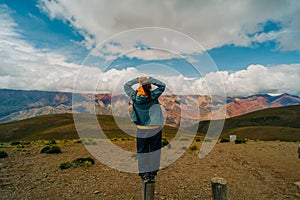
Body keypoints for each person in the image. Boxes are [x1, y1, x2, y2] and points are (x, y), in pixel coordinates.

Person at [124, 76, 166, 183]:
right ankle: (152, 173)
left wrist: (137, 79)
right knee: (154, 150)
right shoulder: (153, 95)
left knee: (142, 151)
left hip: (142, 129)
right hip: (155, 128)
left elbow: (126, 85)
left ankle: (144, 173)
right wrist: (150, 79)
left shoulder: (134, 96)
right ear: (149, 87)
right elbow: (162, 85)